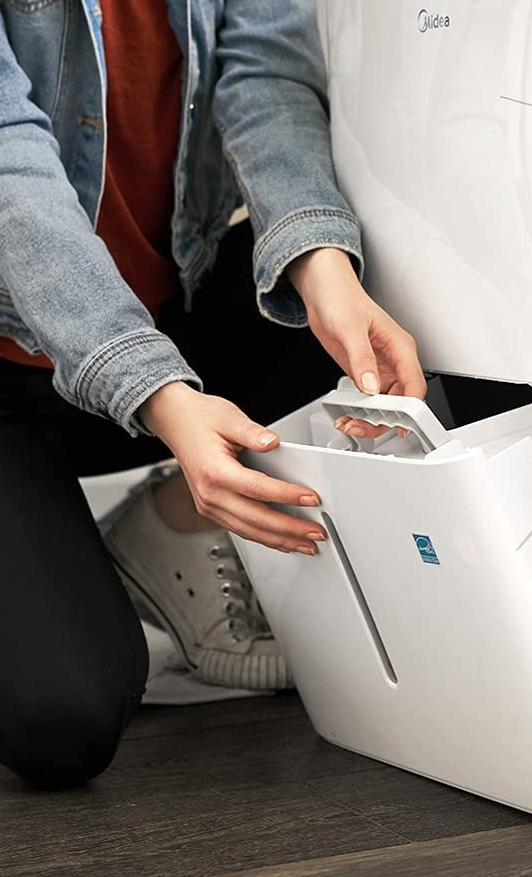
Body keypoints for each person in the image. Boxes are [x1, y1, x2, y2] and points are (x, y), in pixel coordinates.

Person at [0, 0, 426, 790]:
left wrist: (321, 265)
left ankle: (164, 524)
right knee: (64, 721)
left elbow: (265, 74)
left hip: (162, 312)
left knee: (394, 287)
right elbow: (6, 162)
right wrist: (159, 393)